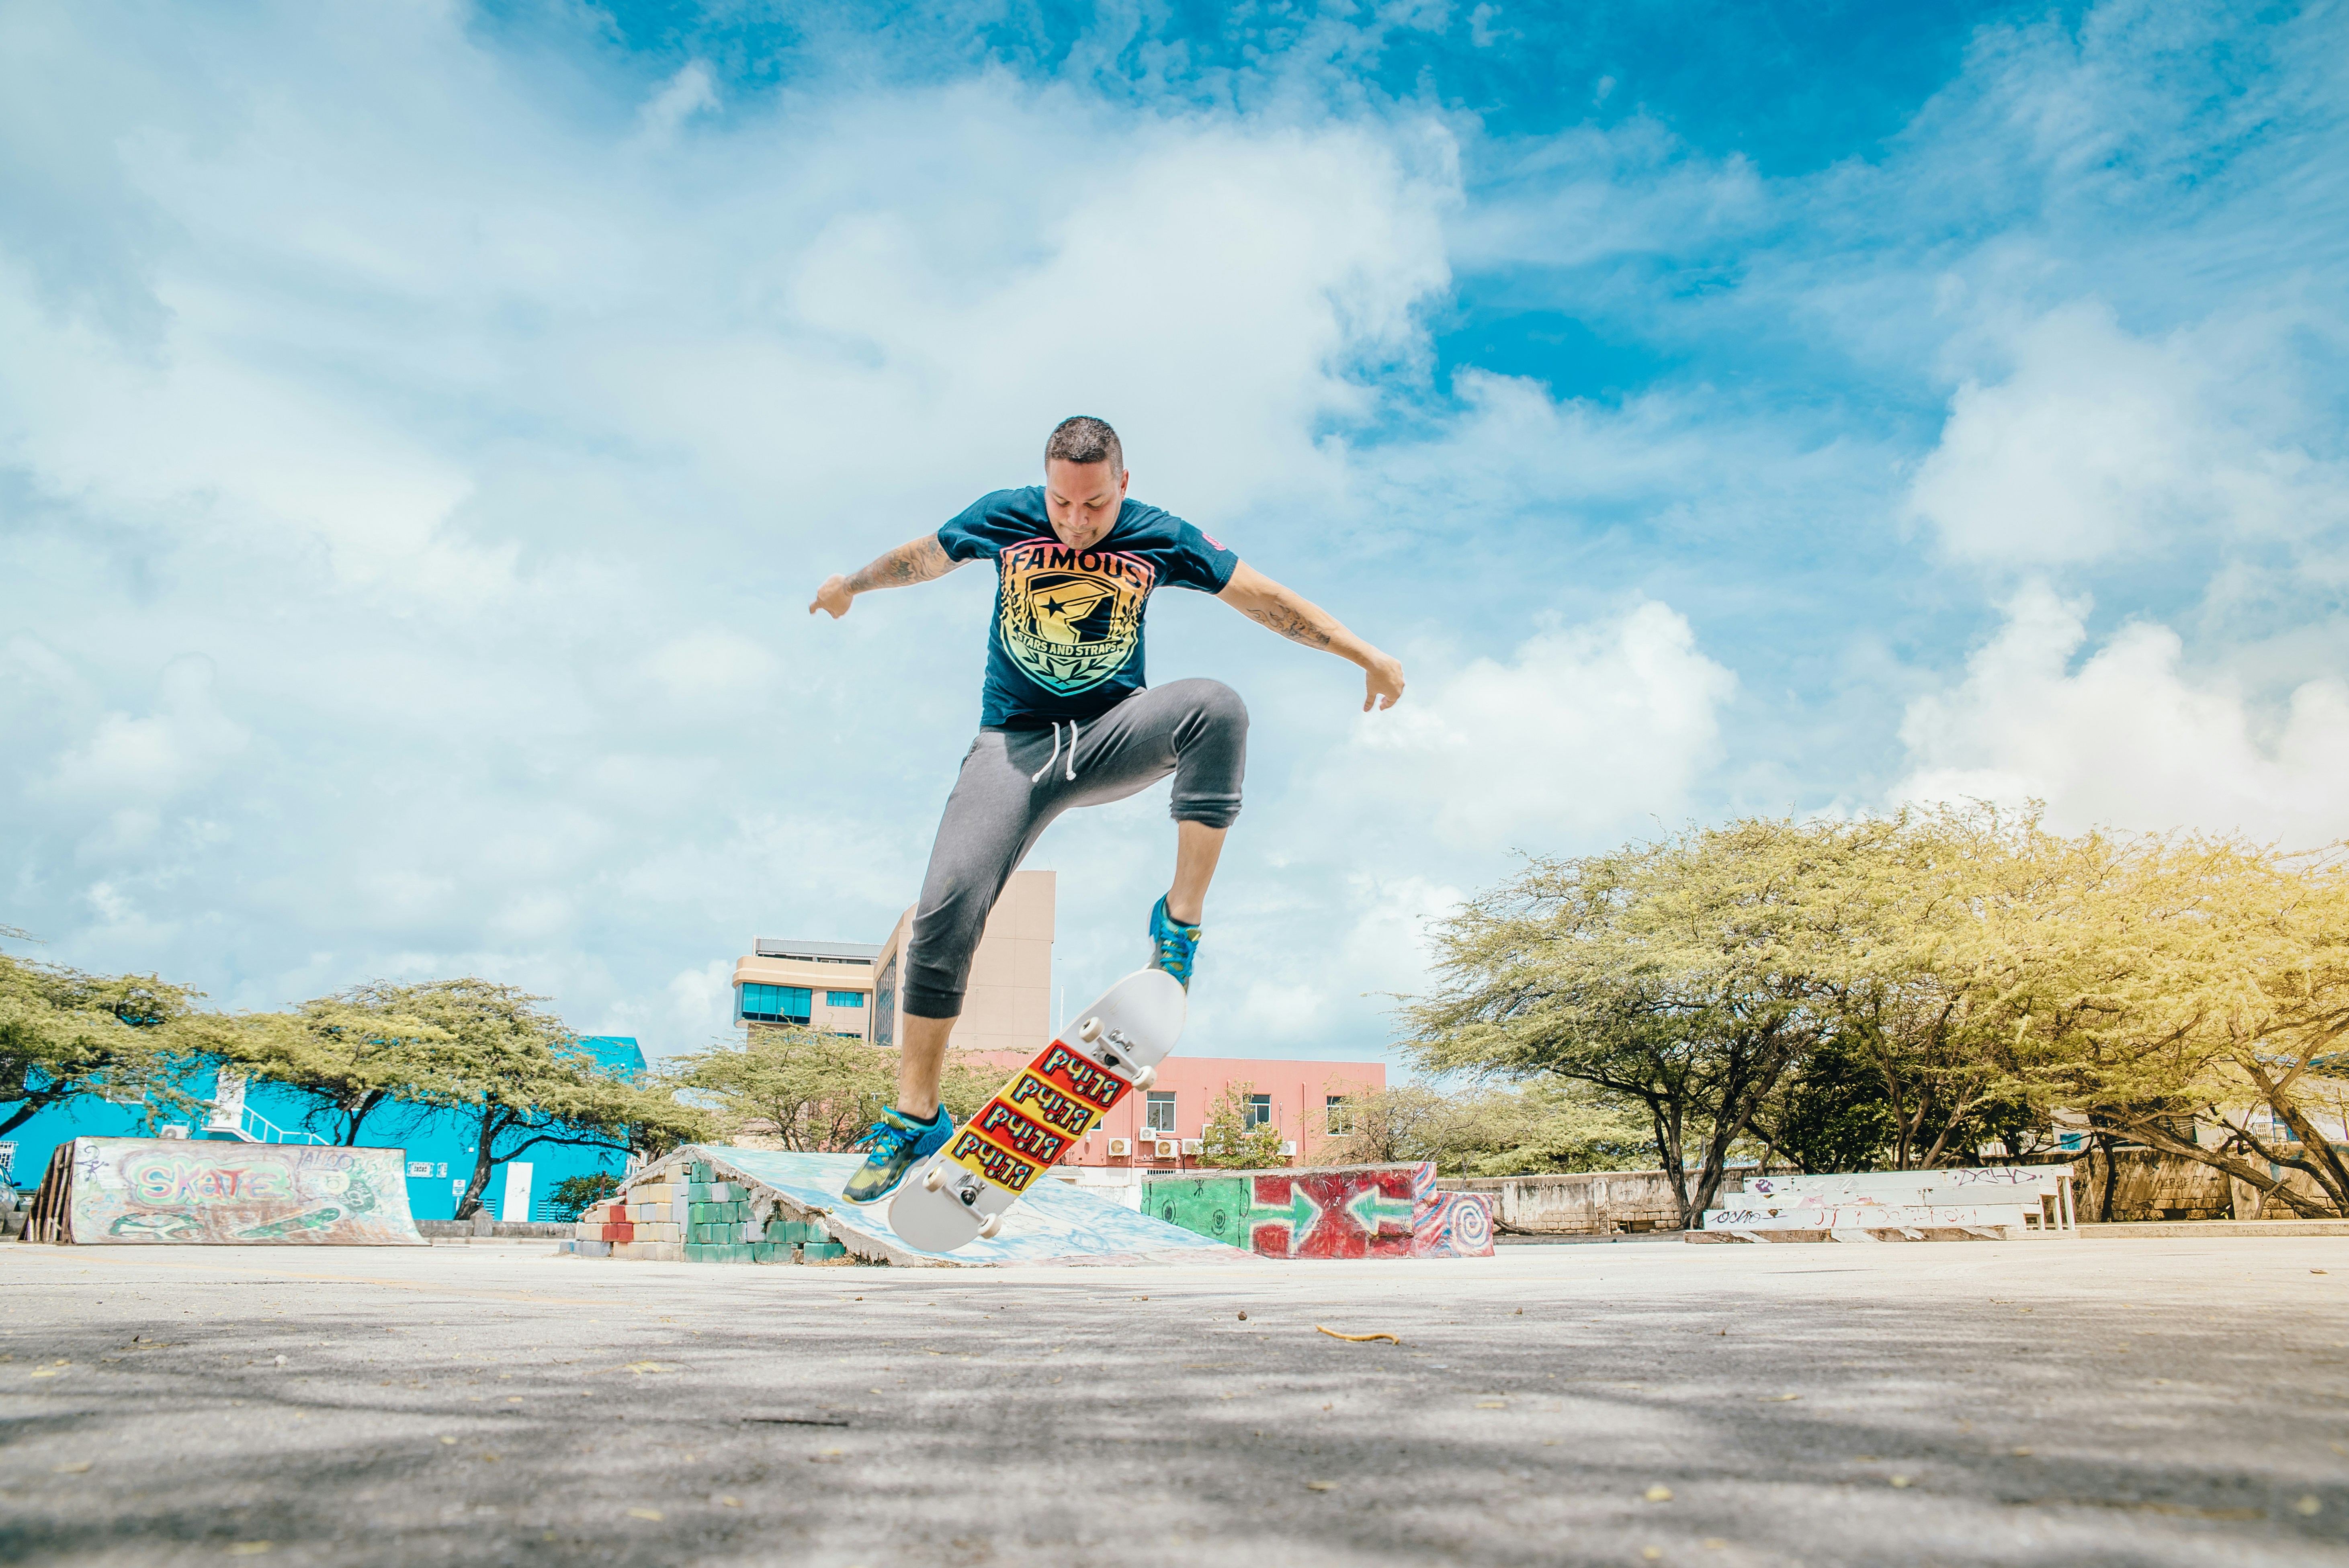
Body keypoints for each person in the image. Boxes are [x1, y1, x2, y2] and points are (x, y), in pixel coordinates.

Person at [808, 416, 1406, 1204]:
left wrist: (1362, 652)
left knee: (1217, 708)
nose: (1077, 522)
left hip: (1109, 737)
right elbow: (922, 556)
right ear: (1044, 485)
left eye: (1094, 506)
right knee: (943, 914)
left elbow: (1264, 598)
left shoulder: (1159, 537)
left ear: (1122, 484)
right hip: (1011, 750)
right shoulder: (1005, 515)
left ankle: (1179, 920)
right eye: (1062, 504)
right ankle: (916, 1114)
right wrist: (850, 585)